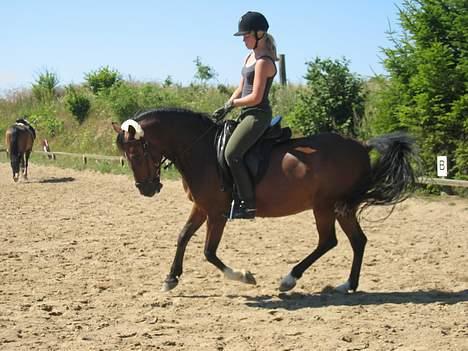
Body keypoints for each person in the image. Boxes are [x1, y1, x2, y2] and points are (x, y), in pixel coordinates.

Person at [213, 11, 278, 219]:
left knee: (232, 154)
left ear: (259, 34)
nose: (243, 39)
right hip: (245, 112)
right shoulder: (250, 57)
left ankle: (248, 205)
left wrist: (232, 104)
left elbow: (256, 98)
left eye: (246, 35)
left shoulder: (264, 62)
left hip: (257, 115)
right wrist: (227, 104)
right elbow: (241, 88)